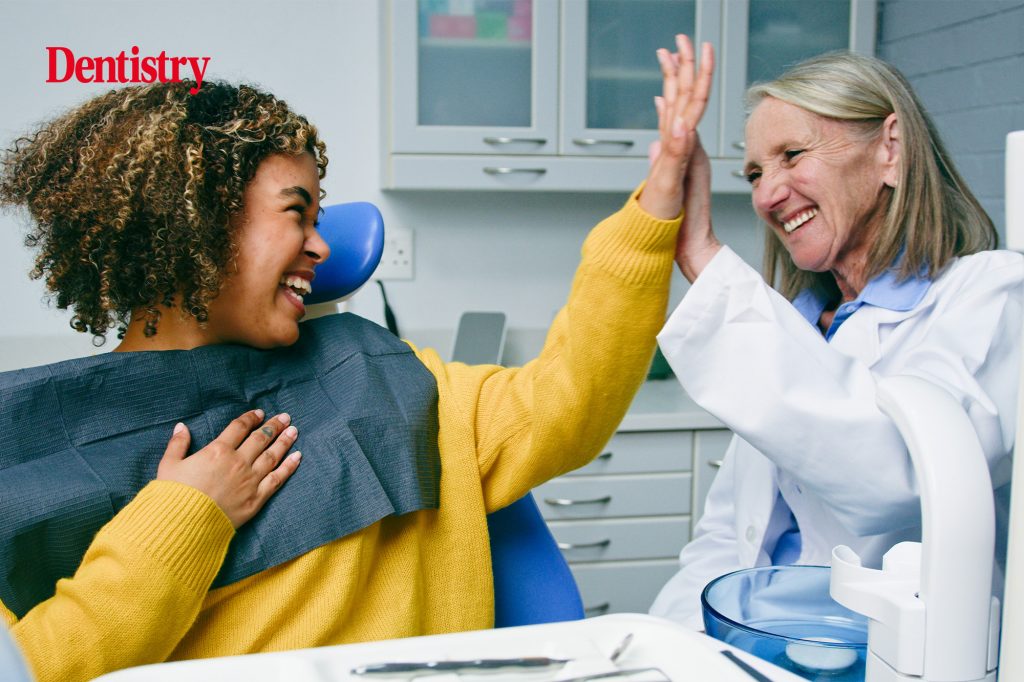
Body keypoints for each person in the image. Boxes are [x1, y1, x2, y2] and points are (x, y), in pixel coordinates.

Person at [0, 37, 714, 682]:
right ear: (201, 221)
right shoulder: (29, 441)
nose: (322, 246)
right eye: (296, 212)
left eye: (321, 218)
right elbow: (34, 665)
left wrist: (652, 212)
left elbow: (567, 404)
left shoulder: (386, 375)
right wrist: (187, 516)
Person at [648, 51, 1024, 629]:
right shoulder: (796, 330)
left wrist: (702, 255)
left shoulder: (992, 296)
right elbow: (727, 538)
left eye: (792, 155)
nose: (768, 195)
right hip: (745, 645)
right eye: (754, 174)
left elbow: (902, 470)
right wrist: (668, 645)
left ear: (890, 150)